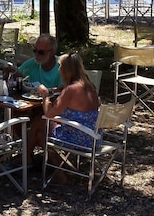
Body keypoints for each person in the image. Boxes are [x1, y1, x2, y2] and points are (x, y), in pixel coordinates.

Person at [27, 53, 101, 182]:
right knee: (40, 135)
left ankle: (27, 158)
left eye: (60, 66)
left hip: (78, 139)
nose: (59, 69)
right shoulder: (89, 86)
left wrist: (45, 95)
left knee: (39, 121)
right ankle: (58, 172)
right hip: (93, 137)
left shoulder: (71, 90)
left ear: (66, 70)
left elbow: (49, 114)